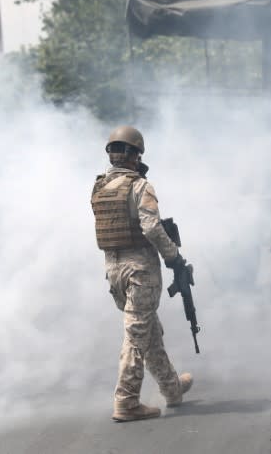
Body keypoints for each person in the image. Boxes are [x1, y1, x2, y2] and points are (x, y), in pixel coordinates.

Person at [91, 125, 194, 422]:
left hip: (113, 270)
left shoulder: (99, 187)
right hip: (139, 271)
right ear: (135, 156)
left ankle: (172, 389)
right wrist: (174, 257)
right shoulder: (140, 186)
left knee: (148, 331)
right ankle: (126, 401)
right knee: (137, 335)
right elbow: (151, 227)